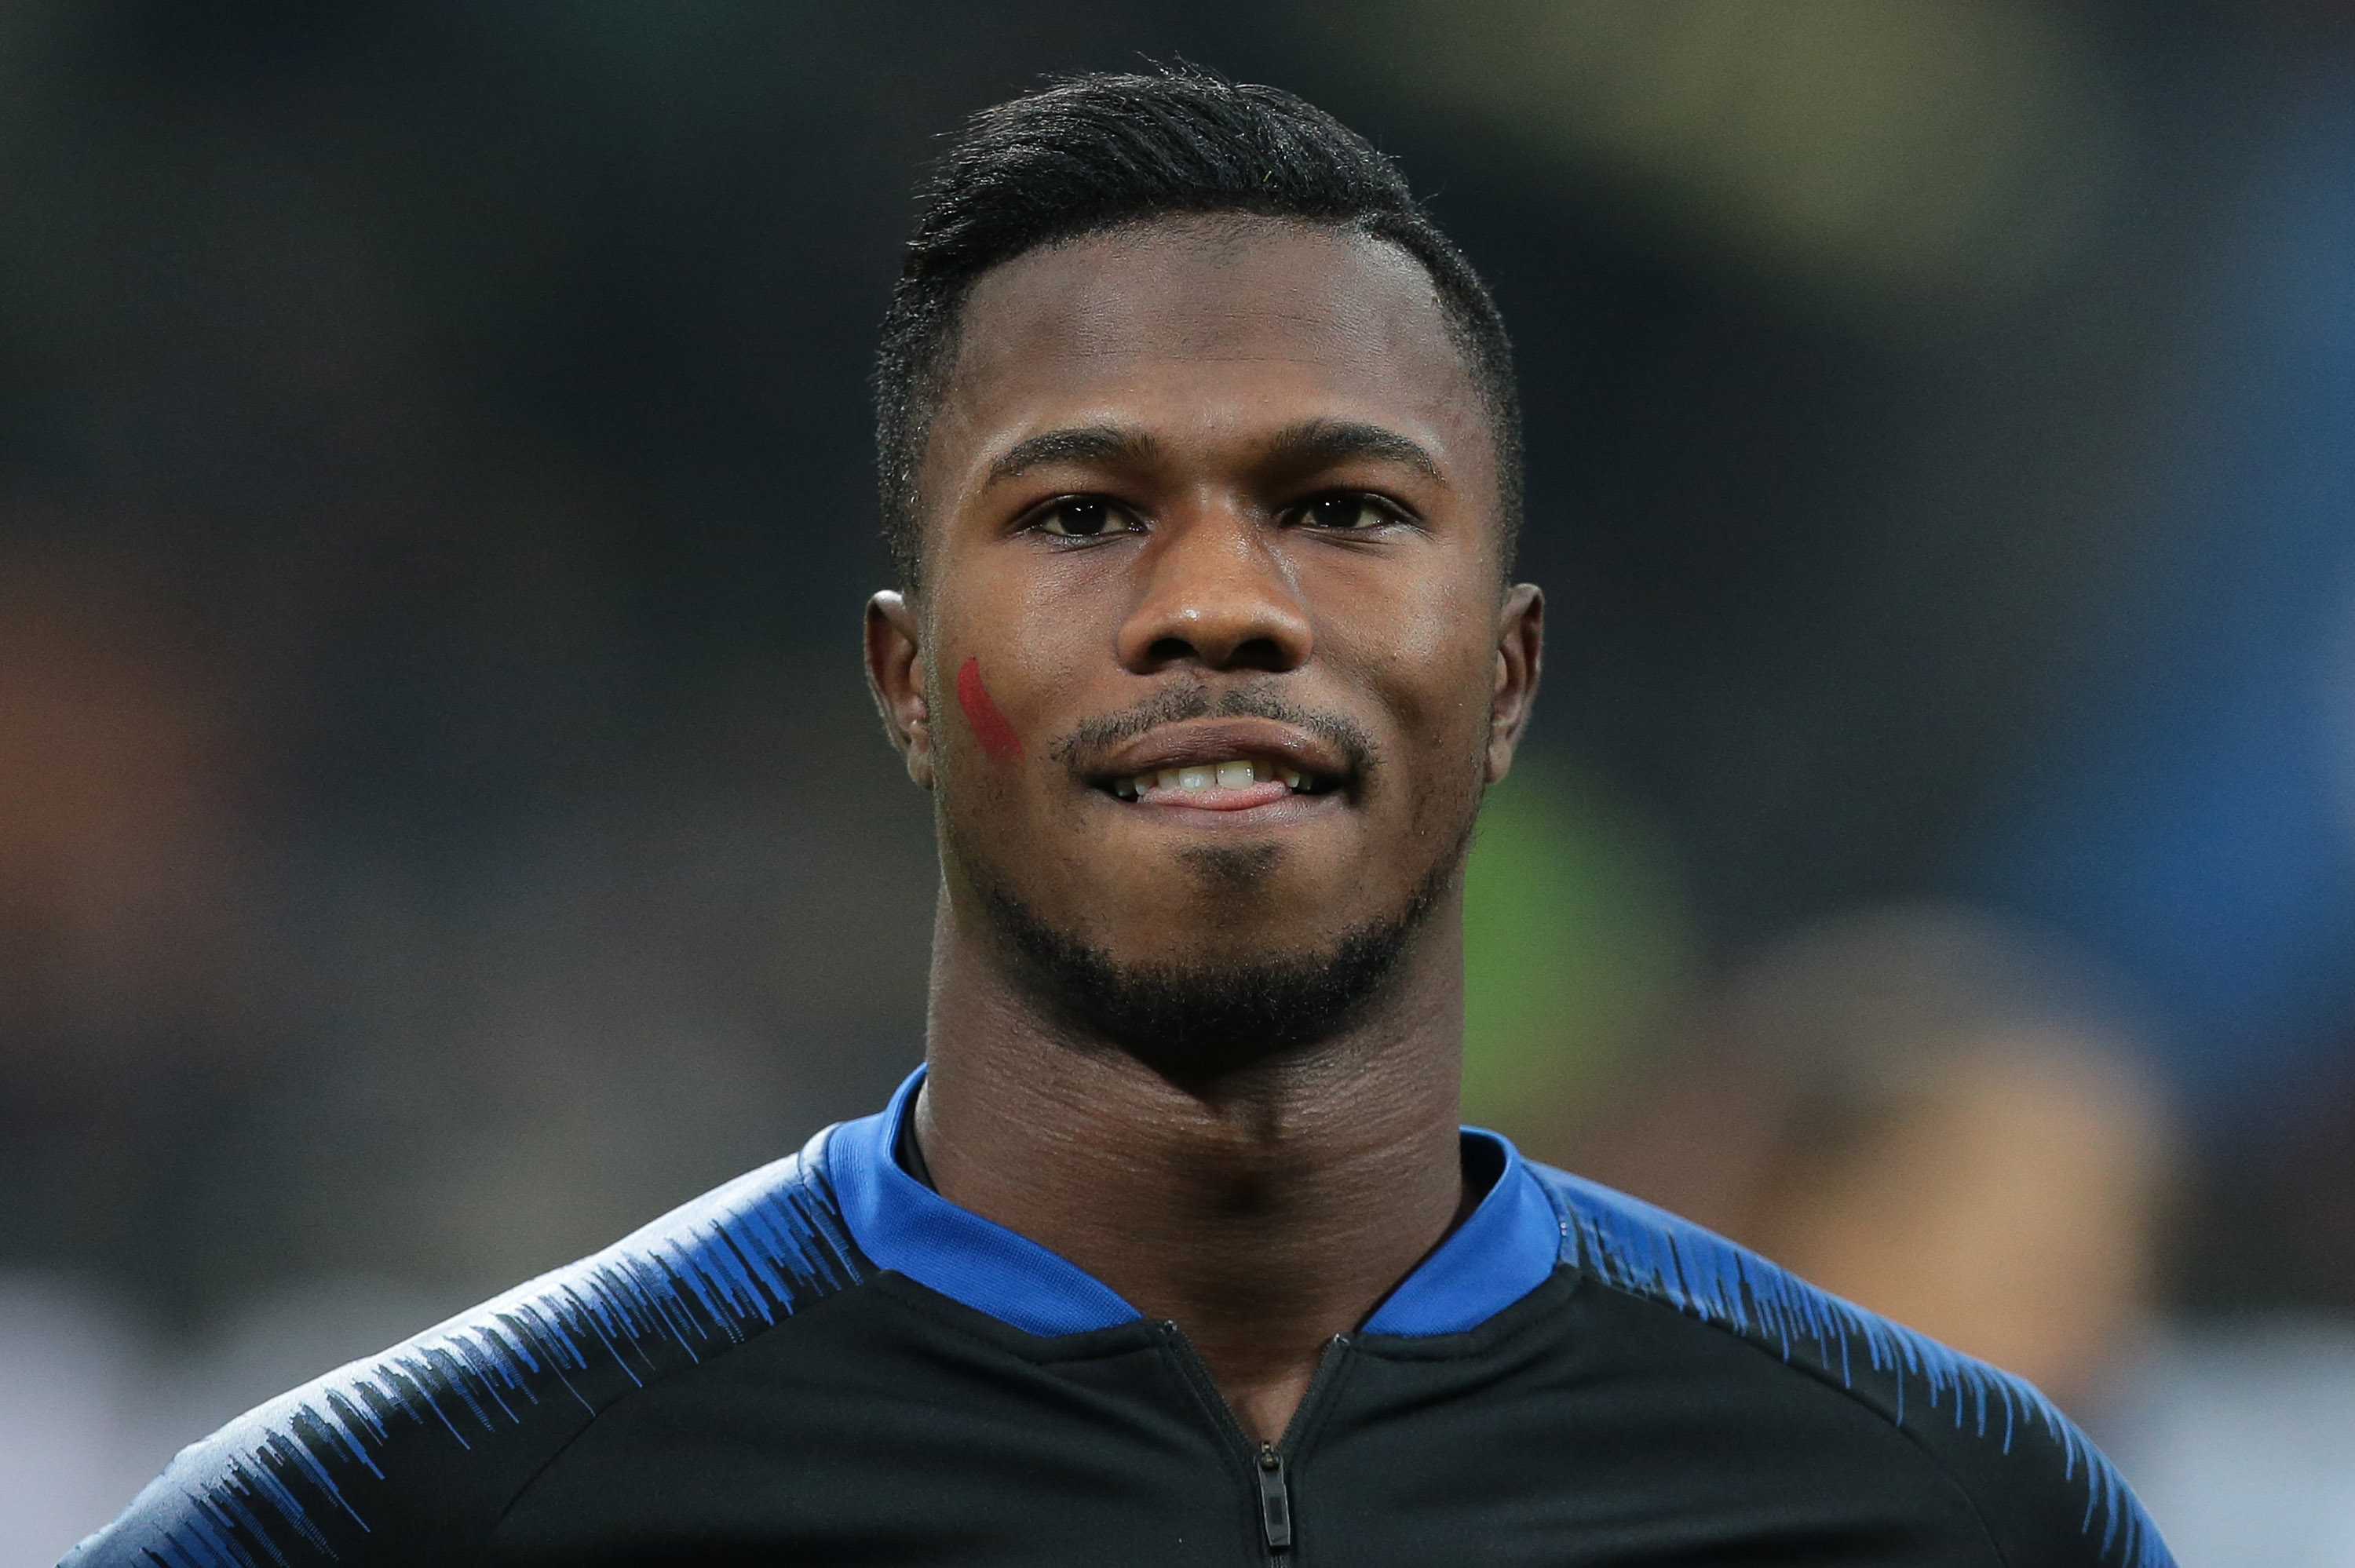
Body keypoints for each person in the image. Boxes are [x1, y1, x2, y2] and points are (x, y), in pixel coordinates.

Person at [68, 70, 2171, 1566]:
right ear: (904, 678)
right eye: (1083, 514)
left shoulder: (1943, 1508)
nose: (1221, 606)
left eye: (1346, 509)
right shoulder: (419, 1504)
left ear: (1510, 669)